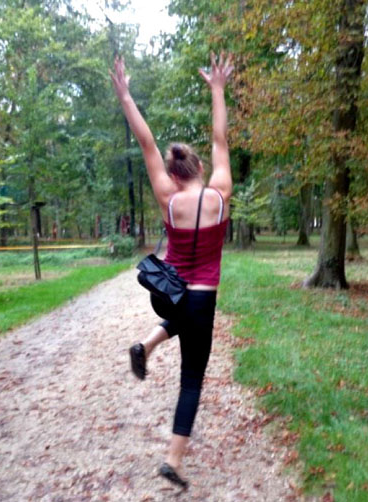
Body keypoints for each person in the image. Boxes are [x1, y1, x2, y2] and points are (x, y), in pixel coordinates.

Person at [109, 51, 234, 489]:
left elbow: (146, 143)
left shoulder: (168, 198)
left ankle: (147, 342)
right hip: (202, 296)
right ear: (199, 169)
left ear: (175, 174)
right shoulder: (220, 194)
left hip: (172, 292)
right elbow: (220, 141)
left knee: (179, 320)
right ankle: (174, 461)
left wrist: (125, 96)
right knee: (192, 382)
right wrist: (217, 88)